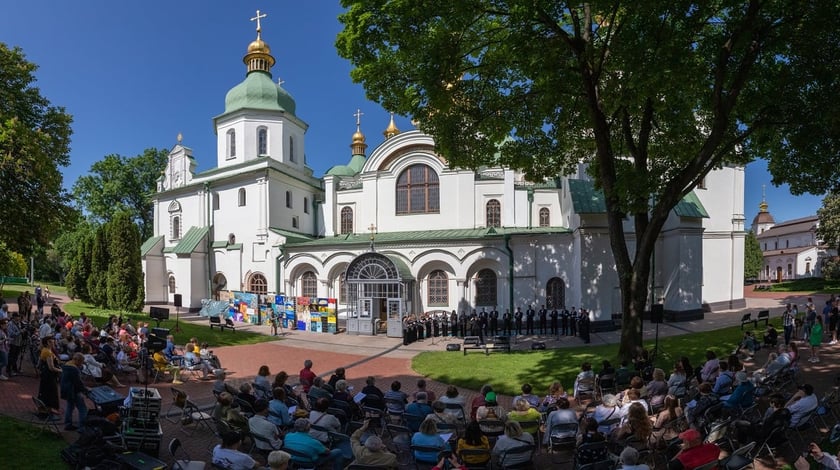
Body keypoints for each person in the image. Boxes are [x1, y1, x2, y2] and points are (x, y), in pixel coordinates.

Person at [60, 352, 90, 431]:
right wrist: (86, 389)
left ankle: (68, 424)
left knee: (70, 406)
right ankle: (82, 427)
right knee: (82, 408)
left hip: (65, 389)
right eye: (80, 362)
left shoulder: (66, 365)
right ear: (77, 360)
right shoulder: (74, 369)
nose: (81, 364)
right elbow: (78, 383)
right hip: (73, 391)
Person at [38, 336, 62, 413]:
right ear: (48, 342)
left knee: (46, 390)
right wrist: (61, 370)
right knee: (51, 391)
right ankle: (50, 408)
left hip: (46, 374)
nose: (54, 343)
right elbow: (51, 367)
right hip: (49, 375)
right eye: (52, 341)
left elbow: (39, 362)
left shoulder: (46, 350)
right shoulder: (47, 352)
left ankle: (45, 407)